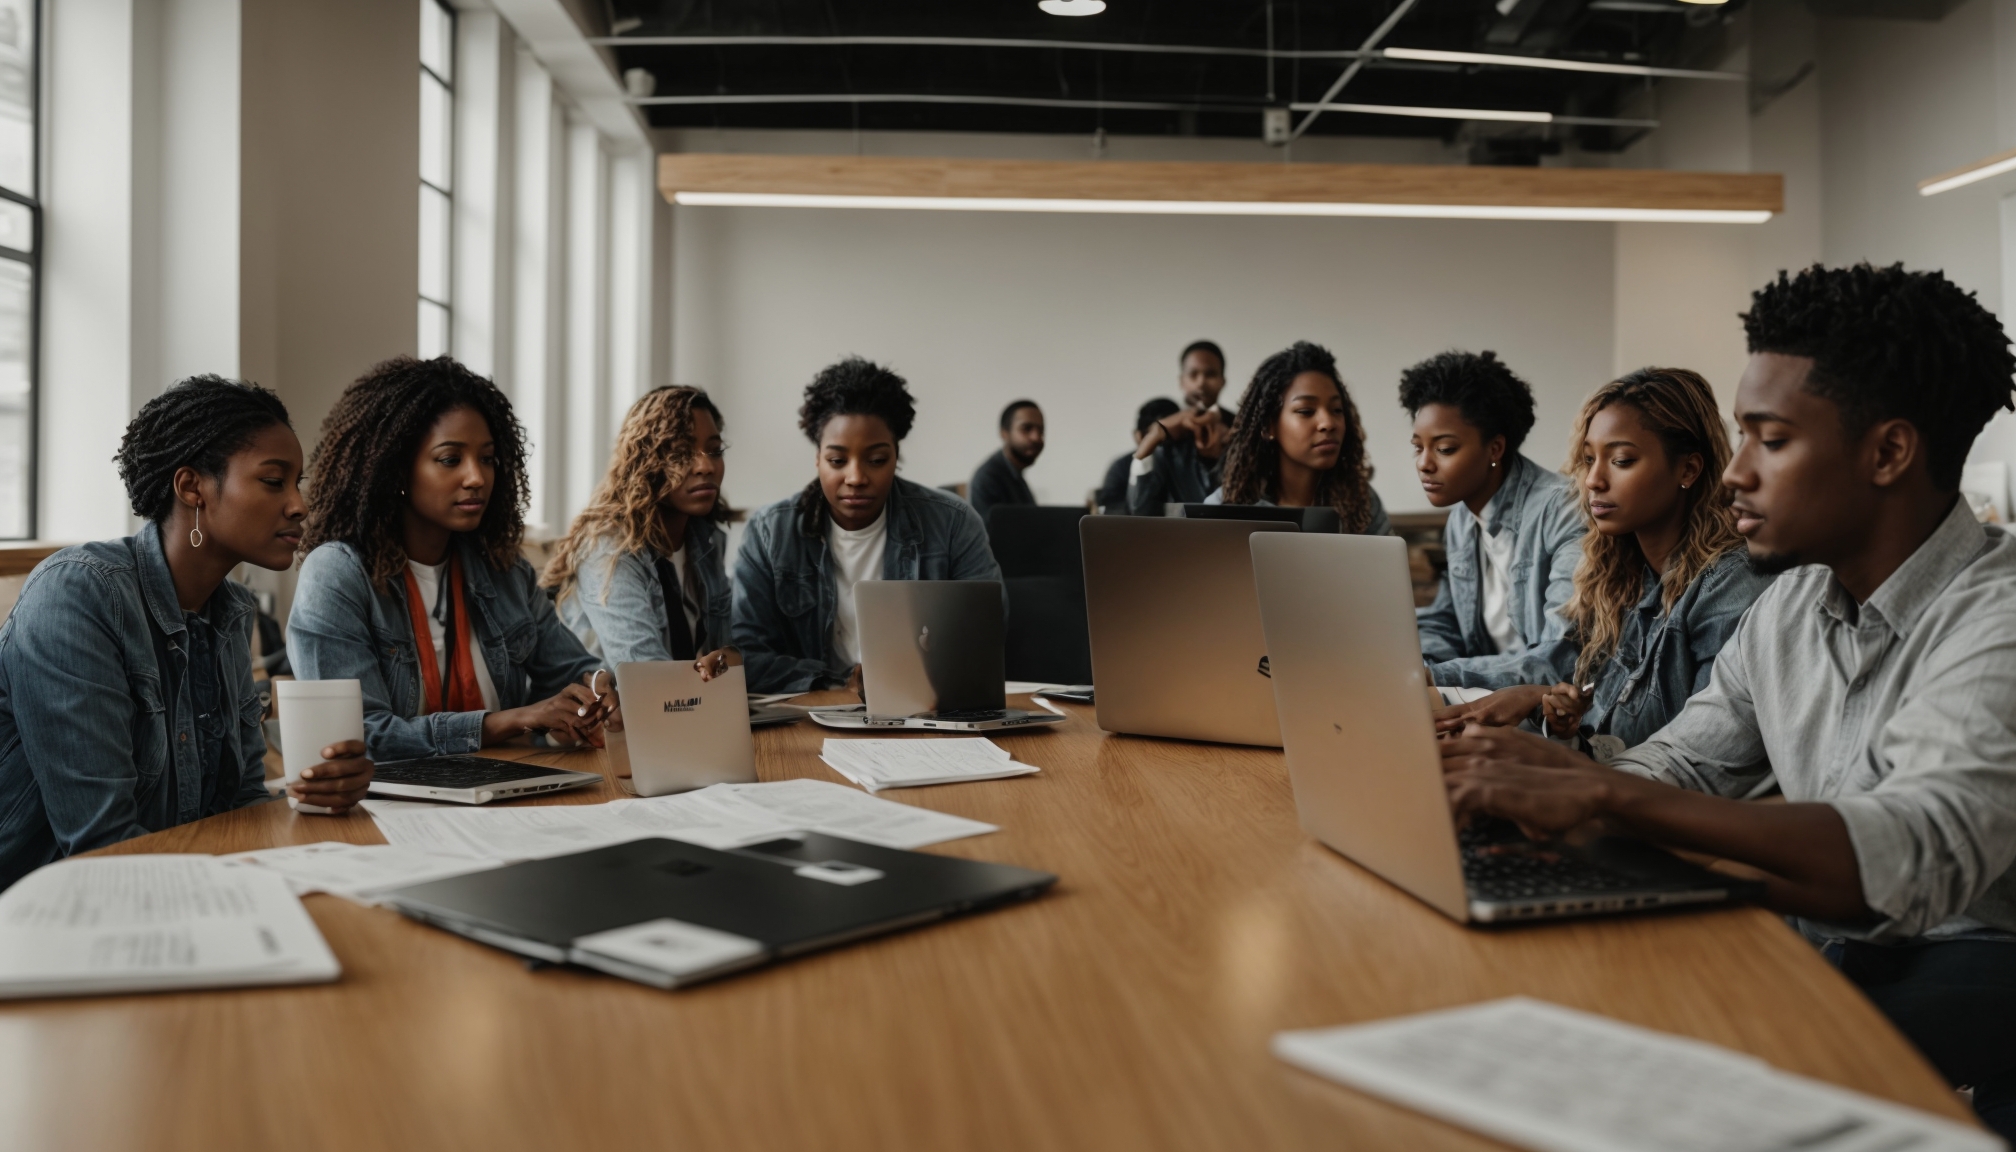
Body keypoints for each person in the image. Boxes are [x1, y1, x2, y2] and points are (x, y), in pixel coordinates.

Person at [1440, 264, 2016, 1138]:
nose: (1734, 474)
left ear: (1889, 453)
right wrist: (1535, 779)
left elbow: (1910, 854)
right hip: (1836, 936)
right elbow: (1682, 762)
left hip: (1976, 959)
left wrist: (1602, 791)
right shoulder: (1789, 606)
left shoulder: (1998, 613)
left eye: (1770, 440)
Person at [0, 377, 374, 889]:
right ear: (192, 487)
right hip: (46, 914)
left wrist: (315, 798)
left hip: (174, 889)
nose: (299, 505)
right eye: (273, 481)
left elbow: (241, 808)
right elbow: (103, 846)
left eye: (298, 483)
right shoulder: (79, 594)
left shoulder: (230, 612)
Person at [1431, 367, 1771, 757]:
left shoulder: (1729, 586)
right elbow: (1597, 724)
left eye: (1622, 460)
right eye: (1589, 459)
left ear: (1688, 469)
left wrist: (1547, 742)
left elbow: (1700, 756)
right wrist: (1556, 718)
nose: (1593, 480)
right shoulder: (1621, 575)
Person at [288, 356, 609, 761]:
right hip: (383, 808)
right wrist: (513, 720)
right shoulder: (336, 575)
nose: (476, 477)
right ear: (397, 470)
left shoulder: (505, 572)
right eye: (450, 459)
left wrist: (598, 689)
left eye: (488, 459)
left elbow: (571, 670)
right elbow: (356, 738)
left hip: (505, 790)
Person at [733, 356, 1002, 695]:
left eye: (876, 460)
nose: (856, 477)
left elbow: (987, 632)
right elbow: (746, 653)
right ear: (817, 457)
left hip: (922, 708)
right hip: (810, 712)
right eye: (837, 460)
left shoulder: (953, 524)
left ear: (896, 454)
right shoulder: (769, 533)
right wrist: (840, 681)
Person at [1404, 350, 1583, 689]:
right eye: (1418, 447)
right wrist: (1417, 667)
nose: (1424, 464)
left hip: (1549, 710)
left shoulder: (1562, 511)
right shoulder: (1461, 519)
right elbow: (1445, 623)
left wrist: (1433, 676)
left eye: (1444, 449)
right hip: (1484, 696)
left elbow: (1561, 655)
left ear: (1495, 448)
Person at [541, 386, 740, 681]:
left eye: (714, 450)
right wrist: (728, 665)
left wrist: (729, 658)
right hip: (614, 721)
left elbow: (724, 660)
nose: (706, 466)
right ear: (644, 461)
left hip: (681, 714)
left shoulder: (704, 539)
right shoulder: (609, 549)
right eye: (682, 452)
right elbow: (649, 678)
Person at [1203, 341, 1391, 536]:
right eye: (1306, 411)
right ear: (1268, 426)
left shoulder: (1361, 501)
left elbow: (1388, 566)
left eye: (1337, 410)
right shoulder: (1225, 508)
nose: (1328, 422)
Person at [1126, 340, 1235, 514]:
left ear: (1222, 381)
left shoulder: (1241, 428)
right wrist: (1152, 440)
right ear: (1181, 381)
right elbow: (1139, 510)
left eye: (1210, 374)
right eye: (1193, 374)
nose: (1201, 382)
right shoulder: (1165, 434)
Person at [968, 400, 1044, 528]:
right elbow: (994, 539)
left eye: (1041, 430)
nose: (1036, 437)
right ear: (1004, 433)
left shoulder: (1015, 475)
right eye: (1026, 429)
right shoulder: (988, 478)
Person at [1098, 398, 1180, 514]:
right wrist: (1142, 460)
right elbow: (1112, 514)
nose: (1165, 449)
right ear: (1139, 436)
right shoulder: (1121, 467)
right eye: (1158, 440)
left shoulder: (1188, 463)